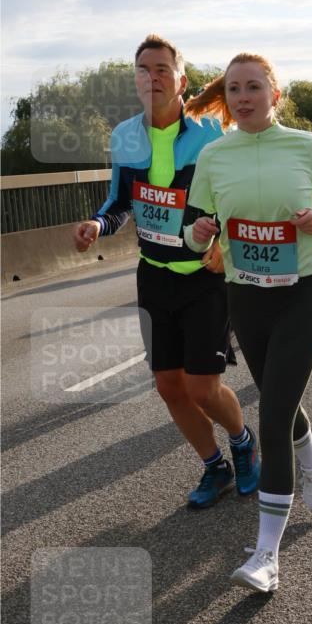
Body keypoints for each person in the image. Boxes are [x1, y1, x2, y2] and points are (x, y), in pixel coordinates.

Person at [183, 54, 312, 593]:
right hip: (246, 298)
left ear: (274, 95)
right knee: (281, 400)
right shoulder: (215, 155)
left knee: (273, 413)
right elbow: (191, 232)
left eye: (253, 87)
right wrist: (203, 231)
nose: (242, 96)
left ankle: (266, 556)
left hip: (302, 294)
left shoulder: (304, 145)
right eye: (233, 88)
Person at [72, 34, 260, 509]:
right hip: (153, 275)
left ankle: (243, 442)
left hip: (203, 274)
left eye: (161, 69)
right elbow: (120, 202)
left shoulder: (211, 134)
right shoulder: (124, 136)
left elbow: (237, 194)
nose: (150, 78)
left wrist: (225, 240)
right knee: (168, 386)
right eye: (142, 69)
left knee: (203, 385)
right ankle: (213, 466)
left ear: (182, 80)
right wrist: (98, 223)